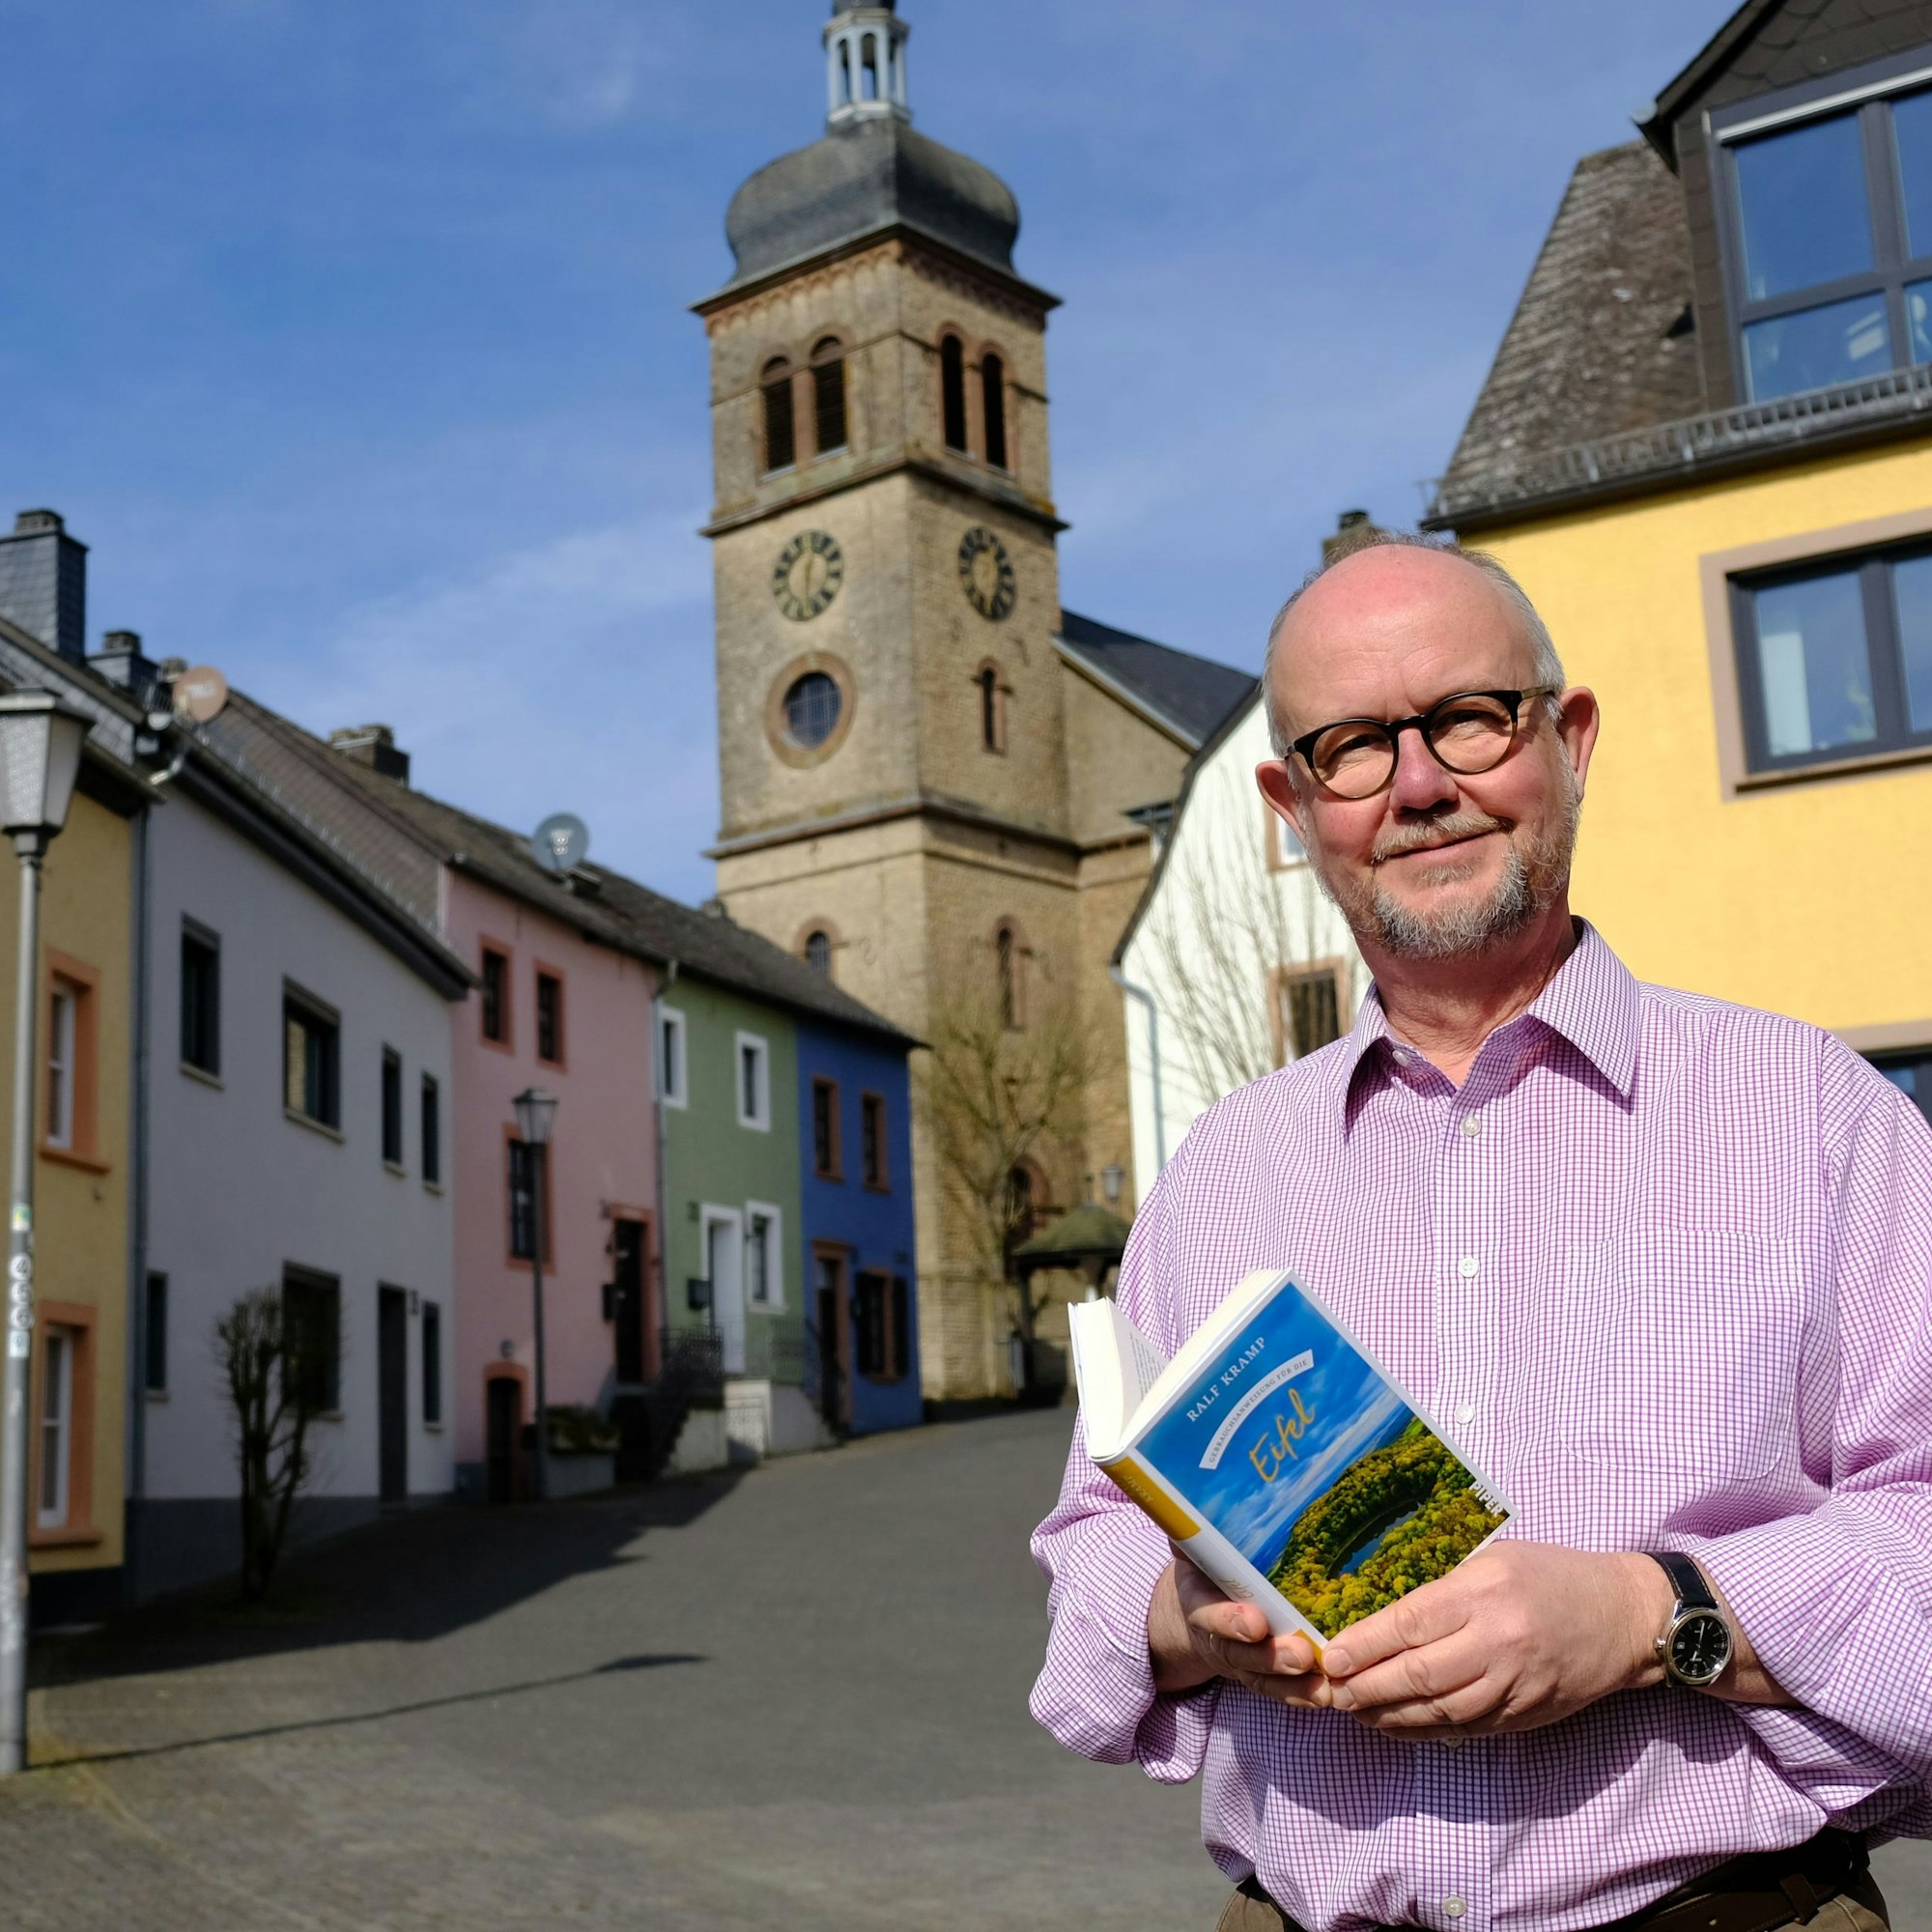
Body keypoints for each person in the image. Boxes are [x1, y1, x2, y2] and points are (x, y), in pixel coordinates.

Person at [1030, 533, 1932, 1932]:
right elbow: (1094, 1534)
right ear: (1291, 805)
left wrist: (1652, 1619)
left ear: (1572, 740)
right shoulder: (1224, 1174)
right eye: (1352, 747)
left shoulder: (1814, 1118)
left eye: (1468, 718)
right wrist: (1184, 1619)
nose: (1418, 786)